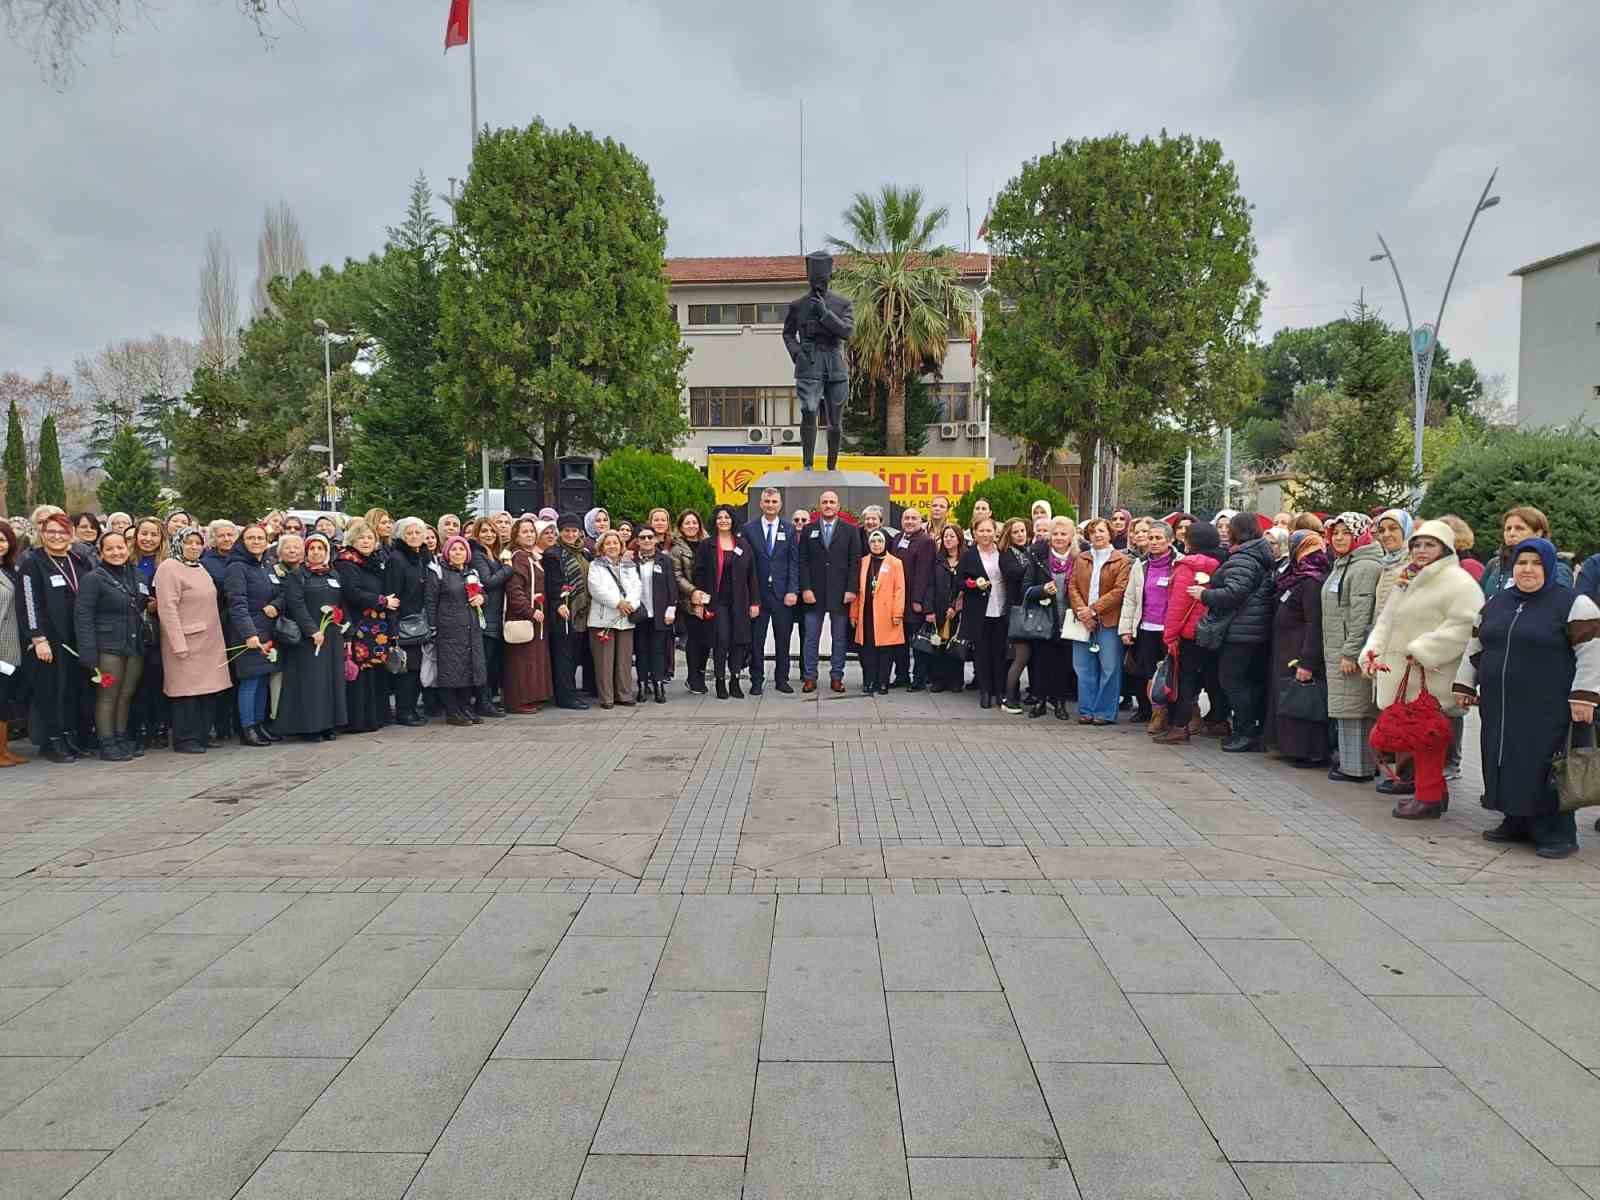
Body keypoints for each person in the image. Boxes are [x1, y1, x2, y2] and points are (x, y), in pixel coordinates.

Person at [1455, 537, 1599, 857]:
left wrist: (1585, 695)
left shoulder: (1574, 604)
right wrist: (1464, 684)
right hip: (1500, 704)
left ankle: (1557, 832)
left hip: (1549, 705)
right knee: (1504, 758)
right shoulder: (1496, 603)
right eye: (1522, 563)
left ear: (1549, 567)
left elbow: (1592, 652)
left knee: (1544, 765)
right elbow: (1476, 646)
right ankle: (1515, 820)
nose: (1528, 569)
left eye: (1535, 563)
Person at [1360, 519, 1483, 818]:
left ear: (1445, 548)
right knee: (1418, 736)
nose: (1421, 550)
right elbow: (1387, 621)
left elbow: (1466, 625)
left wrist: (1423, 649)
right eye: (1416, 544)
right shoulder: (1409, 577)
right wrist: (1372, 650)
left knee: (1428, 735)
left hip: (1432, 673)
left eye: (1429, 545)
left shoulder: (1458, 581)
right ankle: (1433, 793)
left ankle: (1427, 797)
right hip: (1403, 672)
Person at [1187, 512, 1277, 750]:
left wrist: (1204, 594)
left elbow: (1235, 592)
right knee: (1244, 680)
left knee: (1232, 680)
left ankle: (1246, 732)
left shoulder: (1243, 558)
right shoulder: (1256, 553)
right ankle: (1247, 729)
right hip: (1250, 628)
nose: (1225, 532)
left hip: (1240, 630)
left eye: (1230, 527)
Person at [20, 512, 93, 762]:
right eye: (51, 531)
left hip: (75, 638)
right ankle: (52, 741)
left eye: (62, 532)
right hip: (49, 640)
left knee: (72, 690)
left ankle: (69, 736)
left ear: (71, 535)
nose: (56, 537)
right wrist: (38, 638)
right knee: (52, 691)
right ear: (42, 534)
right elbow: (29, 603)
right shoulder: (33, 562)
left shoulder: (79, 561)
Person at [73, 528, 148, 760]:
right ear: (101, 552)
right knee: (108, 695)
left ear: (127, 548)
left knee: (126, 693)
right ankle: (106, 742)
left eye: (120, 547)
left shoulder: (135, 574)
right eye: (110, 548)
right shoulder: (93, 579)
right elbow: (82, 615)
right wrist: (87, 651)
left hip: (133, 642)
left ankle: (120, 736)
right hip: (107, 646)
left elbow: (142, 602)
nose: (116, 552)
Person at [1320, 512, 1384, 782]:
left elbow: (1361, 614)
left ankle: (1358, 768)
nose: (1340, 538)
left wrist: (1350, 652)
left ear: (1361, 535)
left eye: (1347, 532)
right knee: (1347, 709)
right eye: (1336, 533)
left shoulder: (1365, 566)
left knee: (1356, 709)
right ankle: (1352, 764)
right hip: (1338, 646)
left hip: (1349, 651)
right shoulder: (1344, 563)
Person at [156, 527, 231, 755]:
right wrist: (178, 643)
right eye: (188, 543)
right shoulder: (169, 568)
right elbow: (167, 608)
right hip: (185, 641)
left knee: (208, 690)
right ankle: (185, 738)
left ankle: (202, 733)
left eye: (198, 543)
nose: (194, 547)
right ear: (179, 544)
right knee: (186, 693)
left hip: (209, 642)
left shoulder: (199, 567)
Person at [1153, 521, 1224, 746]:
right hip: (1215, 631)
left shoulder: (1188, 566)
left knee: (1185, 680)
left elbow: (1178, 605)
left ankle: (1179, 726)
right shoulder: (1223, 563)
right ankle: (1219, 721)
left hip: (1190, 633)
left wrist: (1170, 636)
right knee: (1214, 677)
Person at [277, 532, 347, 741]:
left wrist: (344, 625)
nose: (316, 553)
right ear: (306, 553)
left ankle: (328, 723)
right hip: (310, 639)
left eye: (321, 549)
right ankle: (310, 727)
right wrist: (312, 630)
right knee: (311, 683)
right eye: (312, 549)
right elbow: (296, 605)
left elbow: (340, 603)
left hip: (332, 636)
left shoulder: (333, 575)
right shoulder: (298, 575)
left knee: (330, 681)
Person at [1271, 531, 1332, 766]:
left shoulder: (1311, 581)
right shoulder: (1295, 576)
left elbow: (1313, 623)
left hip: (1300, 649)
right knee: (1290, 698)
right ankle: (1290, 747)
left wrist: (1308, 660)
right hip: (1286, 647)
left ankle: (1309, 752)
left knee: (1303, 700)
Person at [223, 524, 284, 747]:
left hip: (267, 629)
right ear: (243, 541)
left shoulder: (266, 565)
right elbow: (237, 603)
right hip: (248, 633)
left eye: (260, 538)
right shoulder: (237, 567)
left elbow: (280, 592)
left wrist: (276, 605)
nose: (256, 541)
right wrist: (249, 633)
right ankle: (247, 728)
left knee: (263, 679)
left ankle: (259, 724)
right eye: (251, 538)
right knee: (250, 680)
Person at [334, 519, 395, 734]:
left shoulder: (371, 561)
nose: (366, 541)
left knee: (373, 671)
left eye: (370, 537)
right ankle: (357, 720)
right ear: (352, 539)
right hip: (359, 623)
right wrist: (382, 601)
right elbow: (352, 592)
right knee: (358, 672)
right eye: (361, 537)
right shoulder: (346, 562)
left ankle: (374, 717)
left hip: (375, 626)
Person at [1069, 518, 1132, 724]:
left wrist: (1093, 610)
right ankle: (1086, 710)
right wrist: (1083, 613)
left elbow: (1120, 590)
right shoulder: (1081, 558)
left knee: (1109, 668)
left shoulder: (1121, 560)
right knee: (1083, 667)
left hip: (1109, 621)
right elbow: (1072, 587)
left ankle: (1104, 712)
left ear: (1110, 534)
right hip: (1082, 621)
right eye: (1093, 531)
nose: (1097, 535)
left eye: (1102, 531)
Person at [692, 504, 758, 700]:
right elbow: (699, 575)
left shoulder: (743, 545)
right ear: (715, 521)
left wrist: (755, 603)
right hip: (717, 602)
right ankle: (720, 680)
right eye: (720, 517)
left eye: (727, 517)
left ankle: (735, 680)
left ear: (733, 520)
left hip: (740, 602)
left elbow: (752, 575)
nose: (723, 520)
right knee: (722, 640)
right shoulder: (707, 545)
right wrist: (700, 602)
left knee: (739, 641)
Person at [799, 490, 861, 694]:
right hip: (814, 593)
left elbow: (855, 562)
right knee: (811, 637)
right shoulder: (808, 530)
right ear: (820, 505)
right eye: (824, 502)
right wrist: (806, 588)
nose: (828, 505)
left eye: (832, 502)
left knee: (839, 637)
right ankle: (809, 677)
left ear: (838, 506)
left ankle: (837, 676)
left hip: (840, 592)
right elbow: (803, 562)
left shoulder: (850, 530)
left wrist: (851, 589)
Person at [1119, 519, 1178, 727]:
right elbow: (1130, 598)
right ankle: (1147, 710)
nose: (1153, 542)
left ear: (1170, 540)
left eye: (1158, 538)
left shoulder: (1179, 563)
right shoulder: (1140, 564)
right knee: (1145, 671)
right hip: (1145, 627)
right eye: (1151, 538)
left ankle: (1170, 714)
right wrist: (1126, 629)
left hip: (1170, 630)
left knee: (1170, 673)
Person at [426, 534, 490, 724]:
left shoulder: (472, 573)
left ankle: (465, 707)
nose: (458, 552)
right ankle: (452, 711)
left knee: (468, 669)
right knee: (450, 671)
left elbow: (482, 593)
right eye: (454, 549)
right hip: (449, 629)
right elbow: (430, 601)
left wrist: (482, 598)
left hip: (471, 628)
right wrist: (432, 627)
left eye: (461, 549)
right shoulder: (438, 572)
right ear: (447, 552)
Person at [1021, 516, 1078, 720]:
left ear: (1071, 537)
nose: (1059, 538)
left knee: (1064, 664)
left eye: (1063, 534)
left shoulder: (1079, 558)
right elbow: (1026, 588)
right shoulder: (1037, 556)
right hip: (1044, 619)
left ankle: (1060, 702)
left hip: (1070, 619)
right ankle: (1040, 701)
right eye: (1055, 534)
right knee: (1041, 662)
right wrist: (1042, 589)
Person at [744, 487, 798, 696]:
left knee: (783, 638)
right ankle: (756, 679)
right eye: (767, 501)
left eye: (774, 501)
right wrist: (750, 596)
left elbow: (794, 563)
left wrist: (793, 590)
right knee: (757, 639)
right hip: (758, 595)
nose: (770, 505)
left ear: (780, 504)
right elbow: (747, 565)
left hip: (782, 594)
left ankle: (782, 678)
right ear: (760, 503)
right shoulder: (749, 529)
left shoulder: (789, 529)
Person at [382, 517, 432, 726]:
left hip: (420, 621)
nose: (414, 537)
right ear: (402, 535)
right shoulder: (397, 558)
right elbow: (391, 594)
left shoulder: (422, 557)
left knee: (417, 667)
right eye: (409, 533)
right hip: (403, 621)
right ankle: (404, 711)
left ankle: (412, 707)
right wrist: (393, 630)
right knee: (406, 669)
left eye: (417, 533)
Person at [502, 517, 554, 714]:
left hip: (536, 616)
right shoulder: (519, 557)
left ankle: (531, 695)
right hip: (523, 617)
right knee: (521, 661)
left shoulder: (531, 556)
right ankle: (517, 700)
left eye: (532, 531)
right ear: (516, 535)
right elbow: (514, 591)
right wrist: (530, 611)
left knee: (532, 659)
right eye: (525, 532)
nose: (530, 535)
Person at [586, 530, 642, 708]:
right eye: (608, 543)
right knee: (604, 661)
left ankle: (624, 694)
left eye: (615, 543)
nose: (612, 546)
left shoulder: (629, 565)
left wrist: (630, 604)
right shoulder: (595, 565)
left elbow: (637, 587)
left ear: (621, 546)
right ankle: (607, 698)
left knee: (624, 660)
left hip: (625, 617)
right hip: (603, 619)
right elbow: (596, 589)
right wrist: (618, 603)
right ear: (601, 547)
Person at [958, 516, 1008, 709]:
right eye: (981, 531)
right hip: (979, 612)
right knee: (982, 653)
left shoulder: (1003, 553)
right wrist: (972, 584)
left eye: (989, 530)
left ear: (995, 532)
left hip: (1001, 608)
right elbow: (959, 582)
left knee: (1000, 652)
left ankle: (999, 691)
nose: (985, 534)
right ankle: (985, 691)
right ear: (974, 533)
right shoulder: (969, 555)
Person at [545, 513, 593, 709]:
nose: (570, 534)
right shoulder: (553, 553)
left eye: (574, 530)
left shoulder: (584, 552)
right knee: (564, 655)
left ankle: (572, 691)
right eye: (566, 531)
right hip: (563, 610)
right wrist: (558, 603)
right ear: (560, 532)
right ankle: (565, 697)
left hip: (581, 610)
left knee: (574, 654)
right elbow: (552, 582)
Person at [128, 517, 167, 751]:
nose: (148, 539)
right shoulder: (127, 560)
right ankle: (140, 728)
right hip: (132, 627)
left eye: (154, 534)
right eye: (144, 533)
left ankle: (159, 727)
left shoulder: (167, 563)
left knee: (158, 679)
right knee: (137, 682)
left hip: (160, 629)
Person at [467, 518, 513, 718]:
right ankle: (482, 702)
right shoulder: (478, 555)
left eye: (492, 531)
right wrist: (508, 569)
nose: (489, 535)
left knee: (491, 661)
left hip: (495, 615)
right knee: (483, 662)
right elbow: (488, 581)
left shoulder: (492, 555)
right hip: (486, 616)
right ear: (477, 534)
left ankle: (487, 700)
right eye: (484, 531)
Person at [851, 528, 905, 694]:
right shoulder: (863, 561)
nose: (876, 544)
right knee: (867, 650)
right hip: (866, 613)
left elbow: (899, 589)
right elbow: (857, 590)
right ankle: (868, 681)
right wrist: (853, 614)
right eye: (873, 541)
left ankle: (883, 682)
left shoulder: (895, 563)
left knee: (885, 650)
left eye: (879, 541)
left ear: (885, 543)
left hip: (886, 614)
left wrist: (897, 613)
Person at [1480, 506, 1575, 595]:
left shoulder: (1557, 568)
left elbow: (1556, 604)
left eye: (1519, 528)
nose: (1512, 533)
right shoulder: (1494, 564)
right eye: (1508, 529)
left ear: (1538, 533)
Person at [998, 517, 1040, 714]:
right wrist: (1034, 564)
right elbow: (1014, 574)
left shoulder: (1028, 552)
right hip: (1015, 612)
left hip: (1031, 611)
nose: (1020, 535)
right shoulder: (1006, 554)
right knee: (1020, 657)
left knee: (1030, 657)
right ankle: (1008, 698)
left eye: (1022, 531)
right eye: (1015, 532)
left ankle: (1030, 695)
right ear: (1009, 534)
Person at [889, 506, 933, 690]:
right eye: (906, 518)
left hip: (914, 601)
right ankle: (901, 675)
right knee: (900, 641)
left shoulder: (926, 541)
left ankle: (919, 679)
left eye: (913, 518)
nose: (909, 521)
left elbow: (924, 574)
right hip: (897, 599)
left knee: (918, 642)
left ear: (920, 521)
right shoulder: (898, 538)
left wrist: (918, 601)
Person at [919, 521, 966, 694]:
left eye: (952, 536)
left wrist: (955, 607)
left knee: (955, 646)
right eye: (945, 536)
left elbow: (965, 587)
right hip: (938, 610)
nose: (948, 539)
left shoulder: (966, 560)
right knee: (938, 646)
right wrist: (929, 609)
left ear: (959, 539)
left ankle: (955, 681)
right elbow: (929, 585)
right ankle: (938, 680)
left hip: (958, 612)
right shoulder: (937, 560)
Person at [631, 525, 675, 704]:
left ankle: (658, 684)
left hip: (659, 613)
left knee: (658, 651)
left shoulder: (664, 560)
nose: (647, 541)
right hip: (639, 613)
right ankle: (642, 684)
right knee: (641, 651)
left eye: (650, 537)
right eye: (642, 538)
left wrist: (671, 609)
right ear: (637, 540)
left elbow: (672, 586)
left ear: (656, 539)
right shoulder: (630, 561)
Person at [0, 521, 30, 766]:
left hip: (12, 645)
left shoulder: (12, 568)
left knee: (6, 699)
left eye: (2, 540)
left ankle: (4, 749)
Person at [670, 510, 706, 694]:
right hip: (688, 599)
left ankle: (700, 672)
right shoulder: (677, 548)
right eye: (687, 523)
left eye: (694, 522)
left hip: (708, 599)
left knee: (706, 639)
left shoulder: (708, 543)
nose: (692, 526)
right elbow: (677, 576)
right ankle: (693, 677)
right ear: (681, 526)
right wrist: (693, 592)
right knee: (694, 639)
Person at [1371, 509, 1414, 616]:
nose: (1386, 534)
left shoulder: (1415, 565)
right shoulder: (1387, 563)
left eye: (1393, 528)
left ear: (1406, 530)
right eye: (1381, 530)